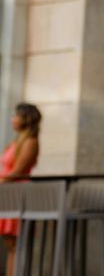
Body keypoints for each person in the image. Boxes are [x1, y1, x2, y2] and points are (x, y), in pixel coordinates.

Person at [0, 103, 41, 276]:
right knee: (10, 245)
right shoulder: (16, 142)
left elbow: (17, 172)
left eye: (16, 116)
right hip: (7, 193)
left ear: (25, 119)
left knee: (15, 245)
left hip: (16, 194)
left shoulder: (30, 142)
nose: (12, 119)